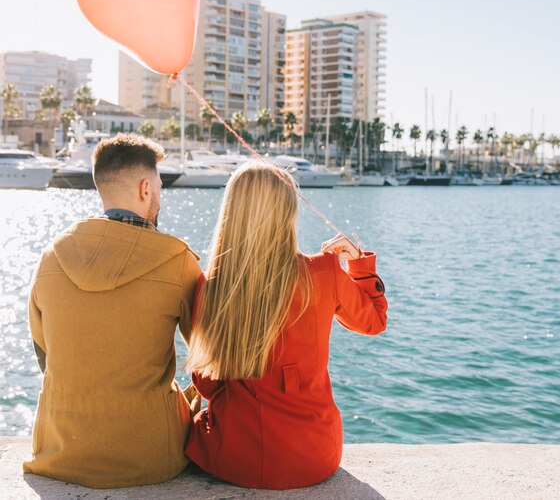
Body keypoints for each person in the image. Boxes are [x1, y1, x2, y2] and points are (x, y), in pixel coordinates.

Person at [185, 161, 388, 490]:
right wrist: (358, 264)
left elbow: (206, 384)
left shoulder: (213, 285)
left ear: (232, 214)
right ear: (289, 213)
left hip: (235, 458)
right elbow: (375, 321)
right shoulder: (324, 272)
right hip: (316, 457)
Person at [24, 133, 202, 488]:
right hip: (150, 457)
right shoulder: (178, 261)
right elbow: (209, 353)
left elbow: (44, 352)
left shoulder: (50, 258)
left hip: (60, 451)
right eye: (160, 188)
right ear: (146, 188)